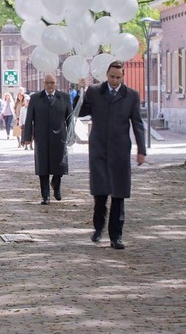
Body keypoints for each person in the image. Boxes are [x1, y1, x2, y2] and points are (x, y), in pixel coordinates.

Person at [77, 60, 146, 250]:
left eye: (118, 77)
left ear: (123, 77)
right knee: (100, 193)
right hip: (99, 149)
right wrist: (80, 92)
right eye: (111, 77)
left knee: (118, 194)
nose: (114, 81)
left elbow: (137, 124)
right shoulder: (94, 92)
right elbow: (81, 112)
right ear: (106, 75)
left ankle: (116, 236)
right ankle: (98, 228)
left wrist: (141, 150)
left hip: (120, 150)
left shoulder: (131, 96)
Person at [23, 74, 72, 205]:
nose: (50, 85)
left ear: (56, 83)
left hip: (59, 137)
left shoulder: (64, 98)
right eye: (47, 83)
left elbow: (70, 119)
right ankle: (45, 196)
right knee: (43, 167)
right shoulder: (35, 98)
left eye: (52, 83)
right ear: (43, 83)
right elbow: (29, 119)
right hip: (41, 137)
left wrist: (71, 135)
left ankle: (56, 185)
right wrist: (27, 137)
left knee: (59, 166)